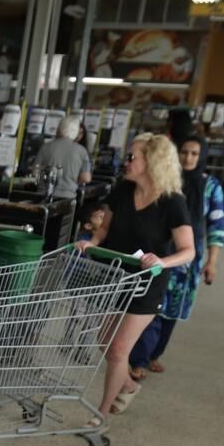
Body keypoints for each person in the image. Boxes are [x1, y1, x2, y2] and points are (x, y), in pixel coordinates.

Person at [75, 132, 195, 418]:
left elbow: (188, 250)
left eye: (132, 157)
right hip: (116, 276)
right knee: (104, 341)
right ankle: (127, 384)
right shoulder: (122, 191)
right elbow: (104, 229)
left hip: (148, 284)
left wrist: (162, 261)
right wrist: (91, 243)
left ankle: (101, 413)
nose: (126, 162)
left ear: (152, 161)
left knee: (117, 350)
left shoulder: (172, 202)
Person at [129, 136, 224, 379]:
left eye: (194, 153)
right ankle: (138, 360)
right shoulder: (166, 179)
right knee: (151, 304)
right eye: (184, 152)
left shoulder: (211, 186)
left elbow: (217, 225)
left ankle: (153, 354)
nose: (188, 158)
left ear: (202, 156)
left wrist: (212, 262)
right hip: (160, 250)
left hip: (186, 259)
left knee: (173, 309)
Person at [35, 115, 92, 200]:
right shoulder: (82, 151)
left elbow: (35, 172)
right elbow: (86, 178)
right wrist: (73, 182)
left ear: (59, 129)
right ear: (75, 132)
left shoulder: (45, 147)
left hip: (43, 195)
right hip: (67, 197)